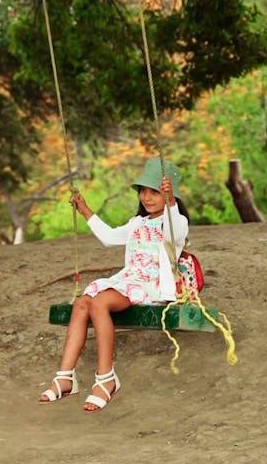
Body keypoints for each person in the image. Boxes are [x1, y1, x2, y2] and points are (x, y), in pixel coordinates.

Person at [39, 157, 189, 412]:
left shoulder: (175, 224)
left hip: (150, 286)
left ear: (167, 195)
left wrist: (172, 201)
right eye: (143, 191)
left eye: (154, 192)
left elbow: (174, 229)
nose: (146, 197)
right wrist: (84, 209)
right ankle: (65, 377)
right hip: (128, 281)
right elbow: (108, 237)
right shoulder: (137, 223)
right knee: (83, 303)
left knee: (99, 303)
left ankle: (106, 378)